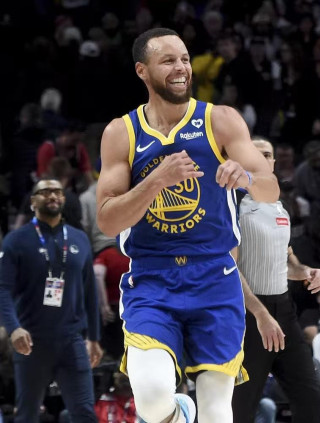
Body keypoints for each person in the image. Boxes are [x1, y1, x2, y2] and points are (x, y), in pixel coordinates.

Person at [95, 28, 279, 423]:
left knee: (217, 412)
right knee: (151, 399)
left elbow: (270, 188)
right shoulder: (121, 132)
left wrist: (246, 177)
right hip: (152, 278)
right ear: (142, 71)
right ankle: (179, 412)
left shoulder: (220, 120)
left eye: (184, 59)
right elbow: (108, 220)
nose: (181, 68)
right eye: (168, 61)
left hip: (214, 275)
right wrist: (156, 181)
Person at [231, 138, 320, 423]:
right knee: (241, 407)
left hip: (284, 311)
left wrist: (305, 272)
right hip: (248, 316)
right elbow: (228, 268)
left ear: (273, 163)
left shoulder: (280, 206)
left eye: (268, 155)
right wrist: (260, 313)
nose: (263, 158)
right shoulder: (232, 203)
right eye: (256, 154)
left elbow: (286, 260)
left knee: (310, 396)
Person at [0, 178, 102, 423]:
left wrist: (94, 337)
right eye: (45, 192)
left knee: (85, 414)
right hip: (31, 341)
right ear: (33, 201)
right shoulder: (16, 240)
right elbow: (2, 289)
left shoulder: (79, 239)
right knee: (27, 415)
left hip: (71, 340)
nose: (53, 196)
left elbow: (90, 292)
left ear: (64, 199)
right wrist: (13, 328)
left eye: (57, 191)